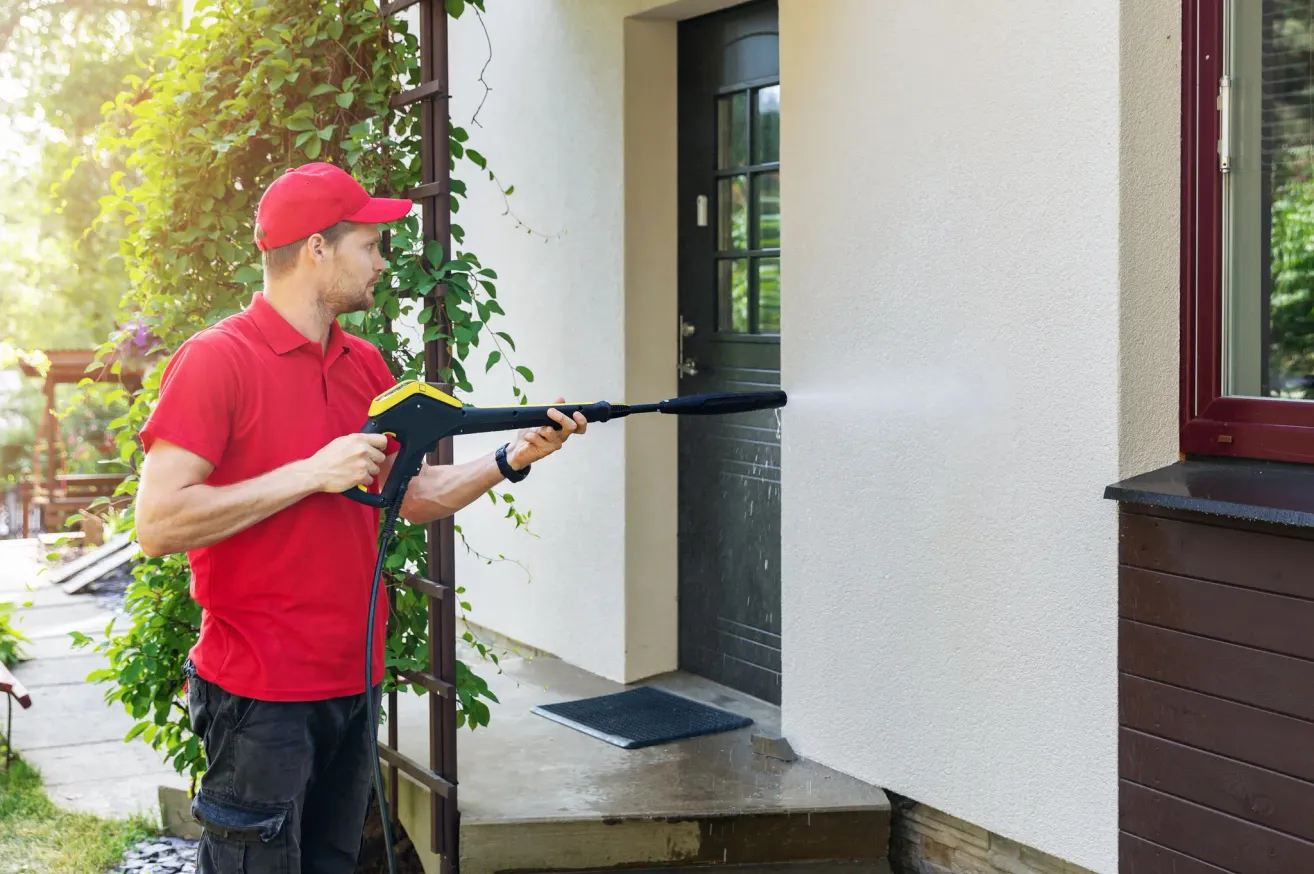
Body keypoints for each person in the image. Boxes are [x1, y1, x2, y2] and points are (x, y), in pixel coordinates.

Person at [133, 162, 588, 873]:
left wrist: (510, 457)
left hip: (352, 681)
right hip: (259, 696)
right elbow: (158, 522)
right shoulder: (216, 361)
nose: (382, 262)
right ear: (317, 248)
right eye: (370, 246)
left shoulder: (364, 364)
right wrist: (310, 473)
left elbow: (409, 493)